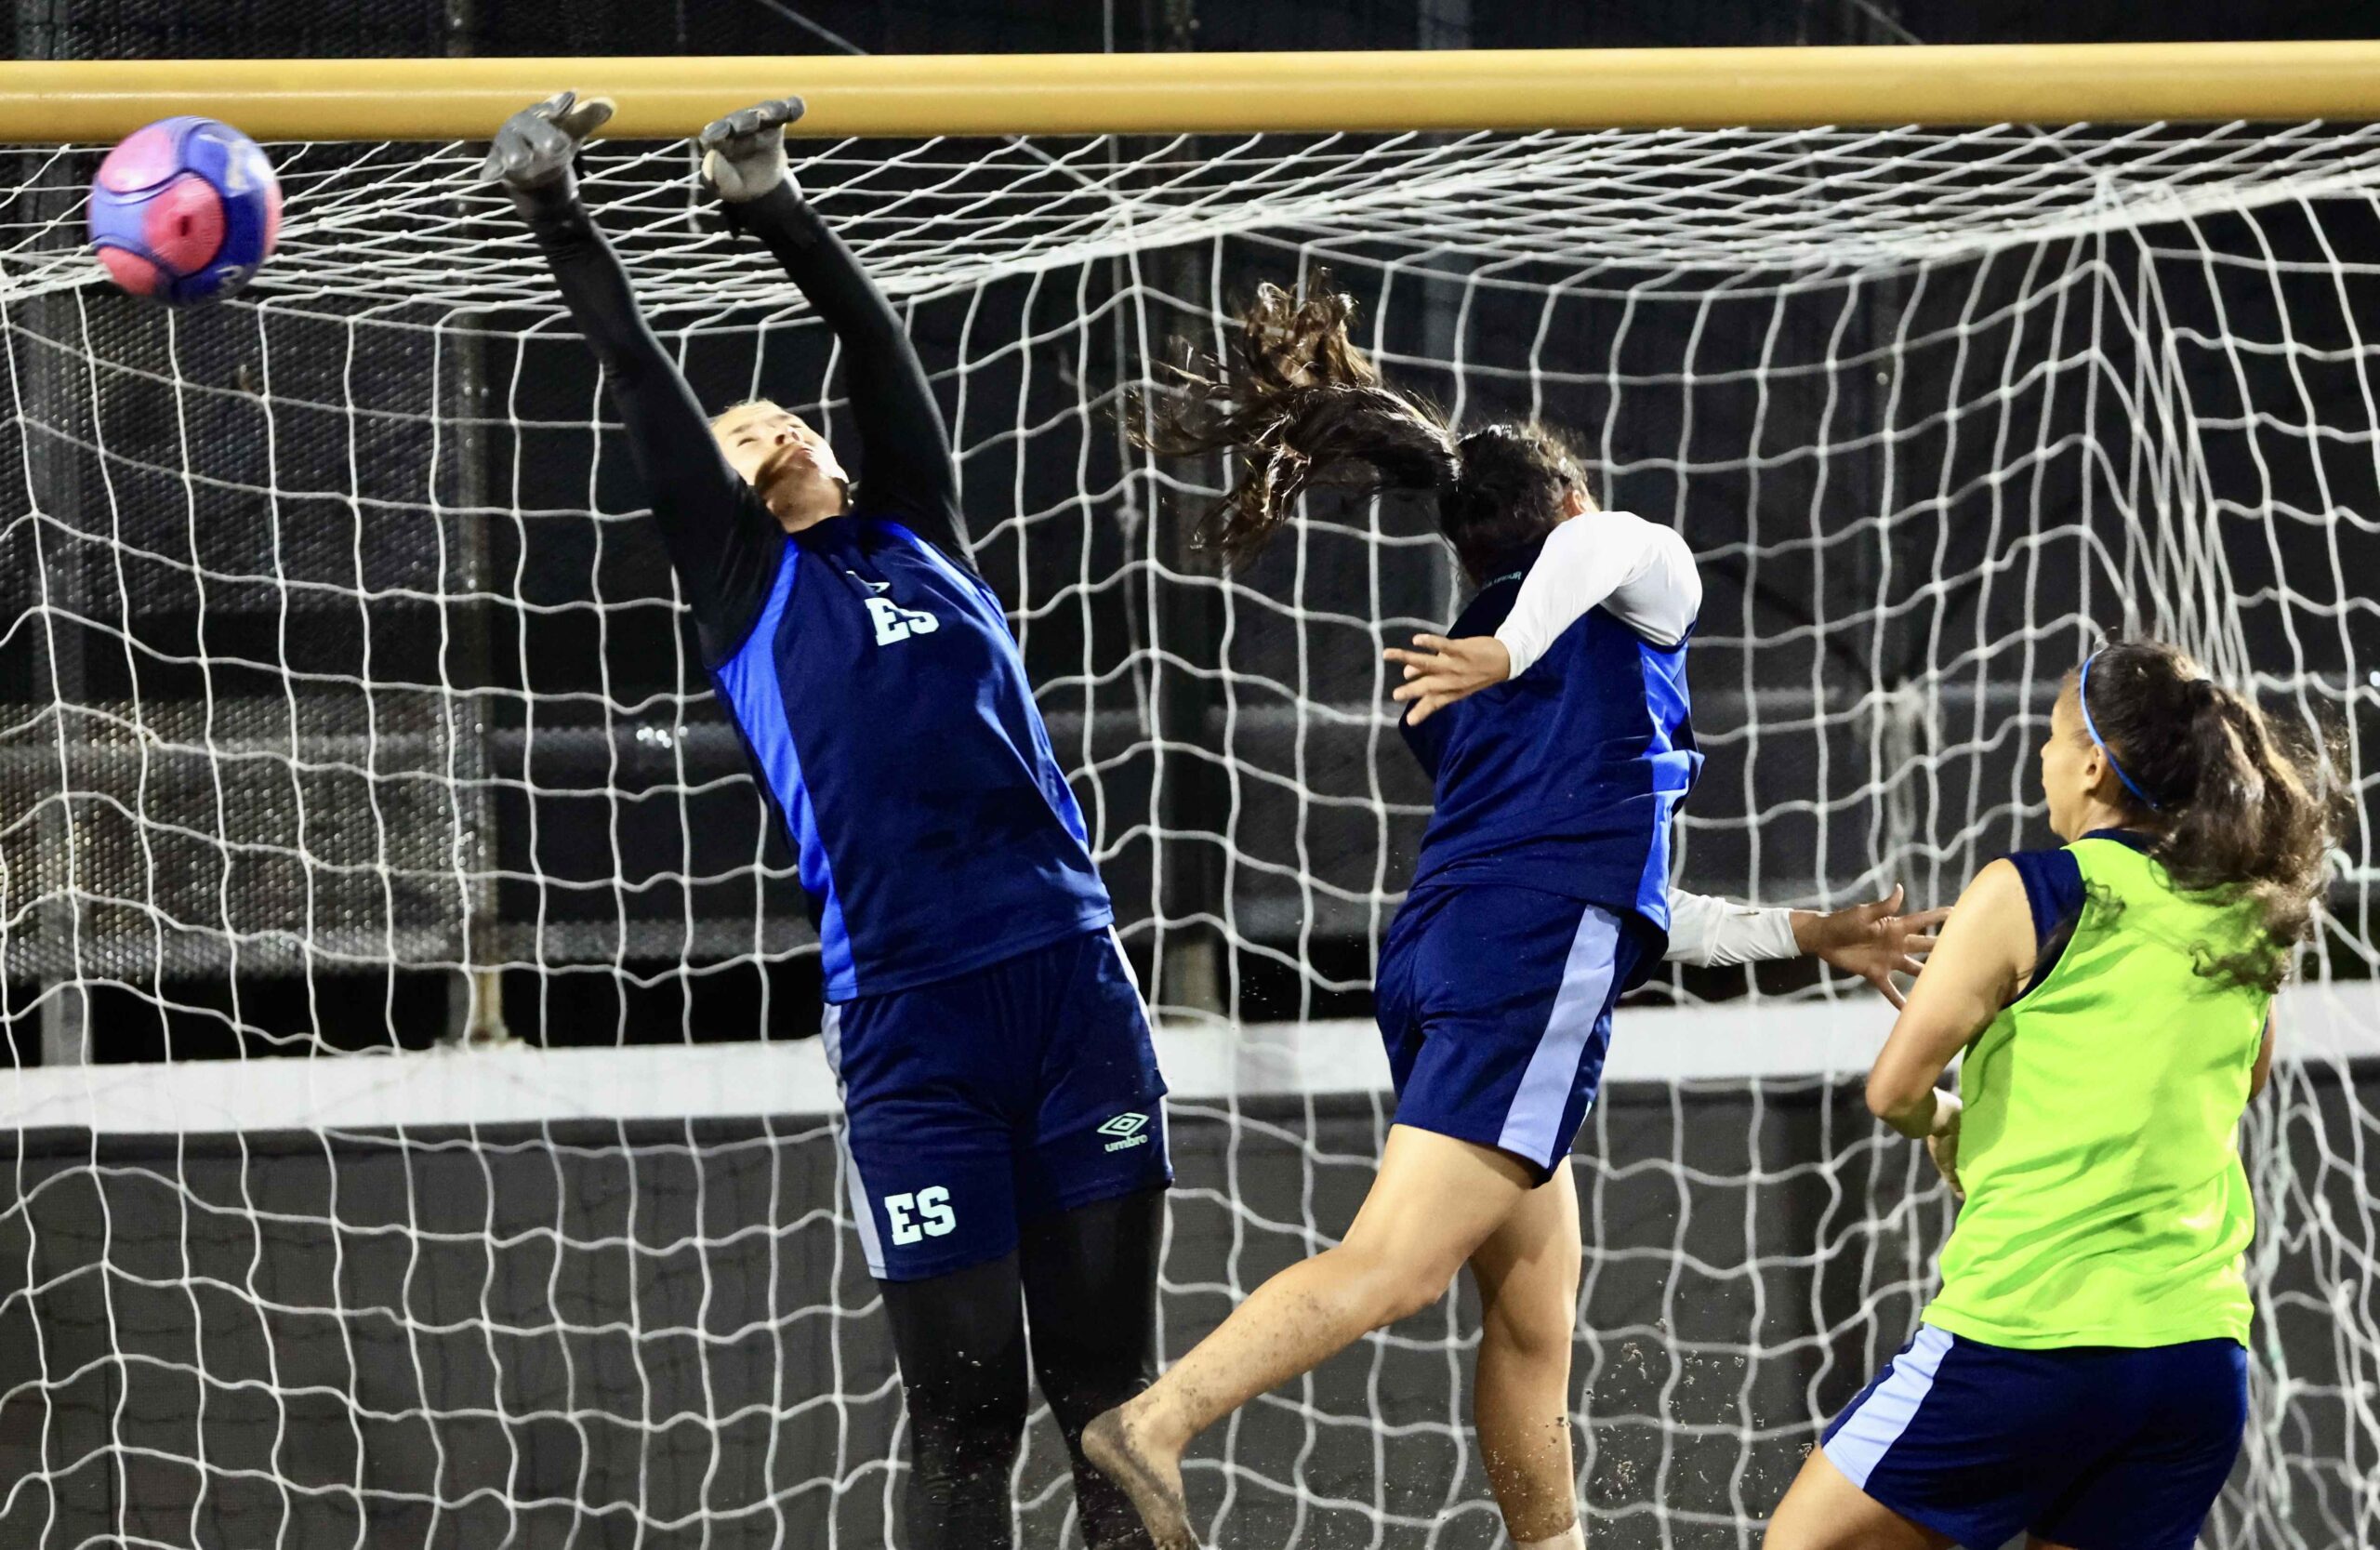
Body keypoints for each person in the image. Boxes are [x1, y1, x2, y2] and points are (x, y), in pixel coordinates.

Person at [1084, 280, 1945, 1550]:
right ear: (1571, 502)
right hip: (1526, 959)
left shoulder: (1447, 685)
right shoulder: (1617, 587)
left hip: (1450, 948)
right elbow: (1609, 550)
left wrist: (1808, 933)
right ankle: (1155, 1422)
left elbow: (1626, 896)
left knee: (1534, 1307)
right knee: (1396, 1265)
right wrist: (1517, 640)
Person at [485, 92, 1171, 1549]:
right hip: (916, 1021)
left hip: (1072, 980)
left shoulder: (921, 528)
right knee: (968, 1414)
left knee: (1115, 1396)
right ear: (725, 485)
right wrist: (556, 206)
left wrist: (772, 204)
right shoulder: (747, 590)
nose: (774, 423)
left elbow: (873, 344)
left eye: (786, 416)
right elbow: (637, 368)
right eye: (744, 431)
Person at [1762, 640, 2334, 1550]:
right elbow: (2245, 1079)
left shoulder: (2030, 890)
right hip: (2195, 1357)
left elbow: (1895, 1088)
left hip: (2033, 1335)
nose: (2041, 755)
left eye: (2053, 734)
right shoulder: (2244, 914)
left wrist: (1946, 1119)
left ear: (2093, 764)